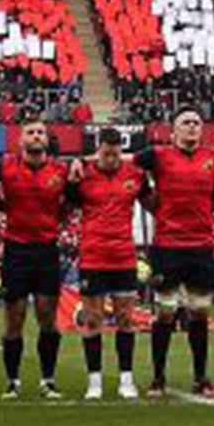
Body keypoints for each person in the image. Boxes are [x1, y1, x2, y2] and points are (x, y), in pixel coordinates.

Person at [135, 108, 214, 398]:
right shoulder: (158, 155)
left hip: (201, 247)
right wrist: (153, 205)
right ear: (173, 131)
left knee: (199, 313)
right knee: (165, 313)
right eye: (186, 123)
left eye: (197, 123)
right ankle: (158, 377)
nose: (192, 127)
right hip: (168, 246)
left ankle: (201, 377)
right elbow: (125, 166)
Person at [0, 118, 71, 399]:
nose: (36, 136)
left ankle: (48, 379)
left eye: (40, 133)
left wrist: (58, 219)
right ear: (20, 140)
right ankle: (13, 381)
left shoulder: (61, 169)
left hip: (46, 249)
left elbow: (73, 199)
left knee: (47, 316)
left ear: (47, 139)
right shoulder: (5, 165)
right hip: (16, 249)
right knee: (15, 317)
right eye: (31, 133)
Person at [68, 127, 146, 400]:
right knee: (92, 320)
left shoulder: (135, 175)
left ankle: (126, 379)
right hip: (93, 255)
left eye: (116, 154)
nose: (111, 158)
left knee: (126, 319)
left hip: (124, 256)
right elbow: (66, 203)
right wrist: (75, 162)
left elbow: (153, 201)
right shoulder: (82, 174)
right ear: (98, 150)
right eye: (107, 153)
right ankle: (95, 381)